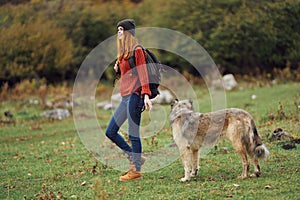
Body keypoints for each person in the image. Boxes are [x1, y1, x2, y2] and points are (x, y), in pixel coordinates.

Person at [105, 19, 152, 181]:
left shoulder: (137, 50)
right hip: (125, 96)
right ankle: (134, 156)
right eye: (117, 29)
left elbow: (144, 74)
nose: (118, 32)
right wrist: (118, 67)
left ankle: (135, 170)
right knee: (110, 131)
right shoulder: (124, 52)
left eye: (121, 29)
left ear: (128, 32)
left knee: (133, 134)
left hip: (136, 96)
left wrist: (146, 95)